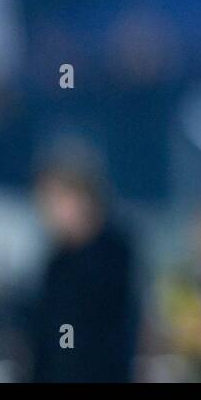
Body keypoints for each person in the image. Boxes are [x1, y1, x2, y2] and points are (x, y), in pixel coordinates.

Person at [29, 141, 140, 382]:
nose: (46, 210)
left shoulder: (116, 254)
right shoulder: (56, 264)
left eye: (53, 198)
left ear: (81, 197)